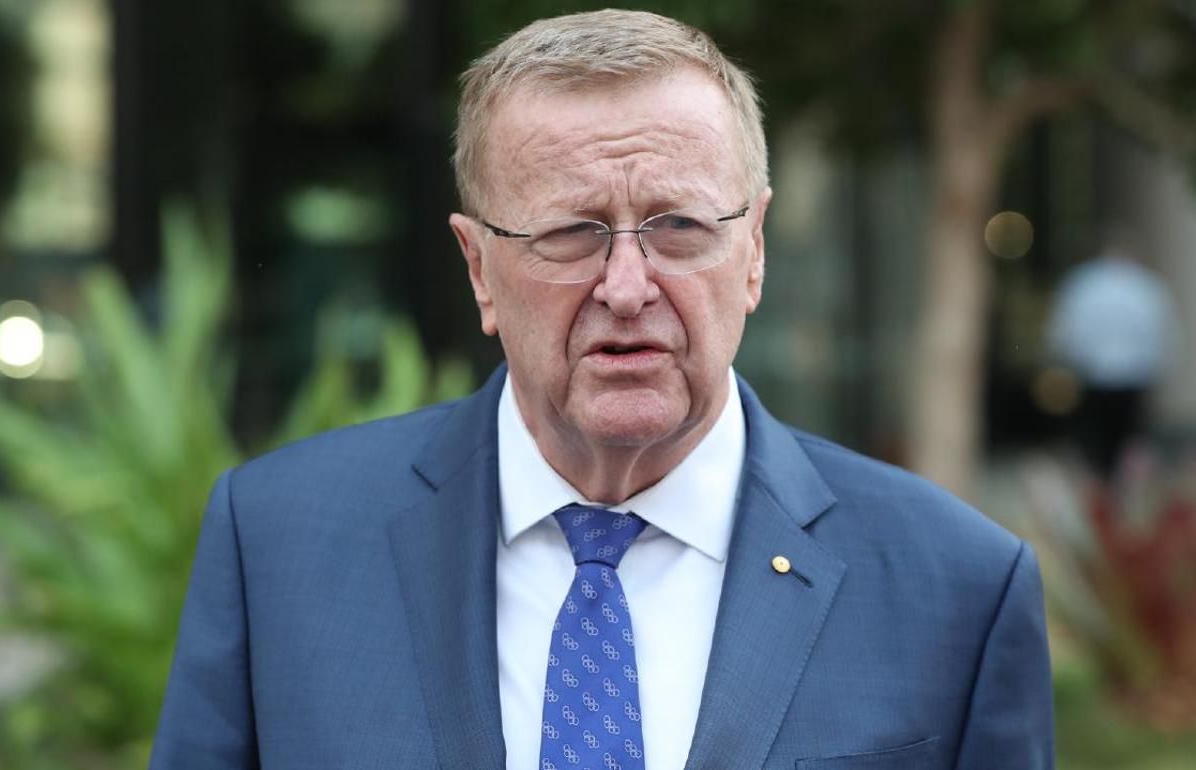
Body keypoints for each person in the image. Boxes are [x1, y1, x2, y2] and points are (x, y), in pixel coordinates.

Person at [150, 10, 1053, 769]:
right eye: (571, 233)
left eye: (679, 226)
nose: (627, 287)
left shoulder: (958, 588)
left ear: (754, 250)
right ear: (478, 267)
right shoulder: (277, 547)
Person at [1047, 243, 1181, 475]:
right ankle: (1119, 484)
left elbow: (1066, 329)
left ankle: (1102, 481)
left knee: (1097, 440)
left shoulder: (1084, 283)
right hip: (1132, 376)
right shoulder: (1145, 285)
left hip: (1094, 374)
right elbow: (1160, 332)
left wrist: (1066, 359)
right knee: (1127, 440)